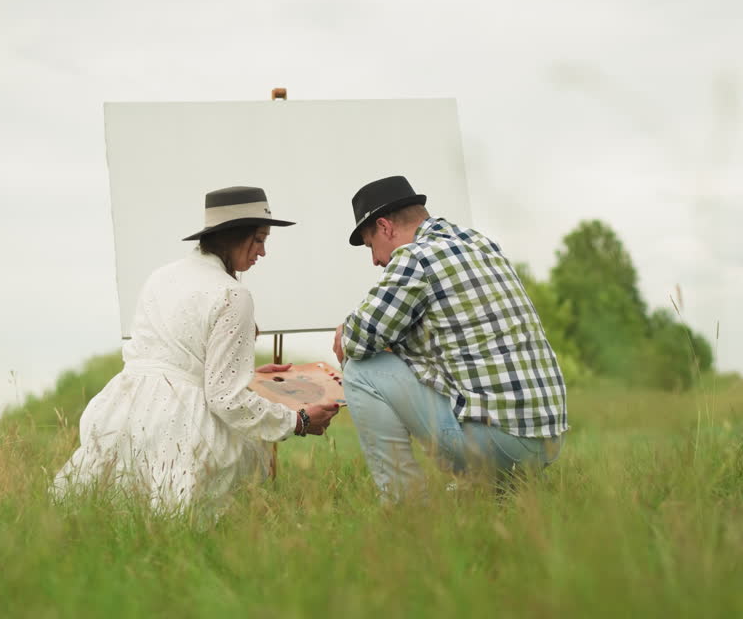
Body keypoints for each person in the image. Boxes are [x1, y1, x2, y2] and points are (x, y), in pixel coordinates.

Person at [55, 186, 341, 512]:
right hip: (180, 424)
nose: (262, 252)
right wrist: (298, 420)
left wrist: (248, 375)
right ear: (235, 235)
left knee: (108, 518)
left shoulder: (161, 276)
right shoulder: (233, 294)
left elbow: (181, 358)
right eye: (259, 239)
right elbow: (224, 398)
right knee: (177, 529)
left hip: (124, 410)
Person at [333, 176, 567, 500]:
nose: (375, 260)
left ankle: (406, 505)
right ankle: (503, 492)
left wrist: (344, 332)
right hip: (549, 441)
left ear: (385, 227)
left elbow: (357, 340)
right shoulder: (481, 244)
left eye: (371, 246)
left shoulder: (415, 257)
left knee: (361, 371)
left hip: (501, 444)